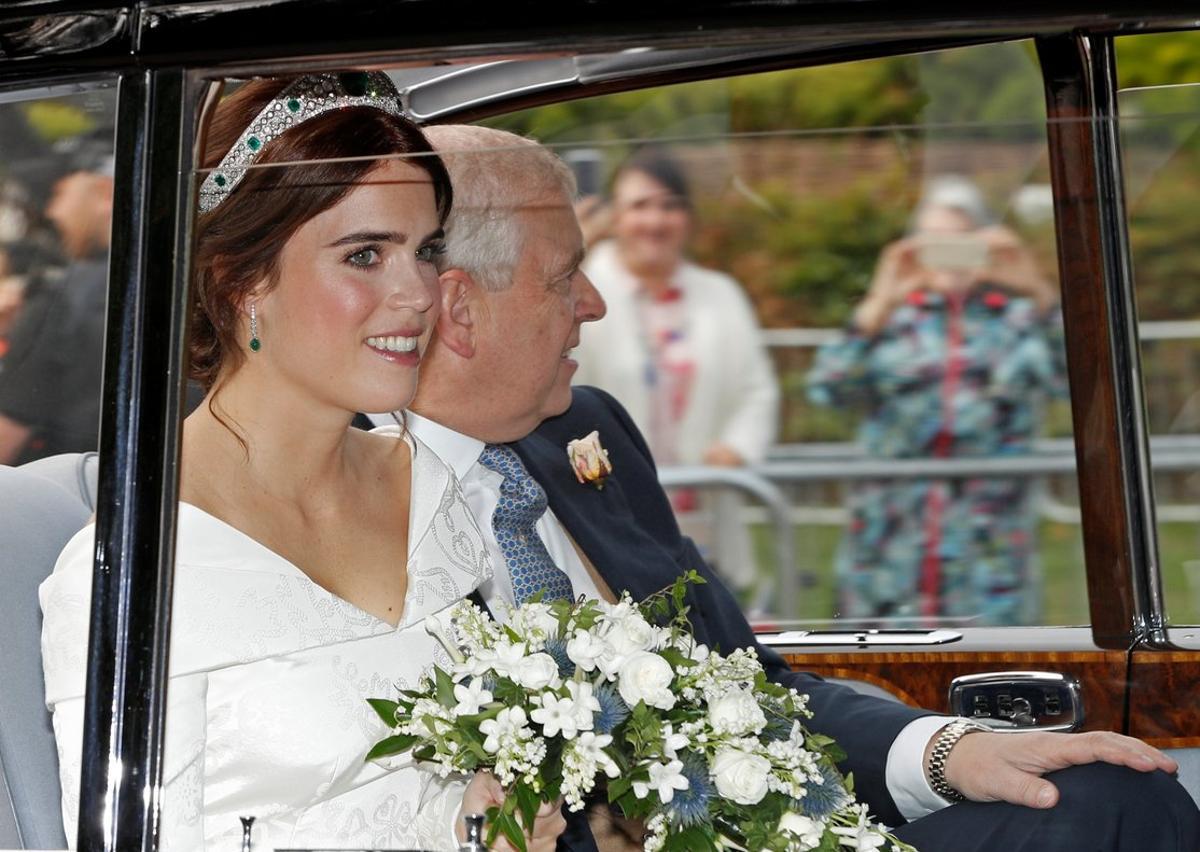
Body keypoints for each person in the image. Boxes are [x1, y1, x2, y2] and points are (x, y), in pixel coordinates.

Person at [399, 124, 1197, 852]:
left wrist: (953, 751)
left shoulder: (585, 434)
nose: (594, 302)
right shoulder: (338, 498)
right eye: (566, 274)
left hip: (765, 830)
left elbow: (749, 684)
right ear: (461, 307)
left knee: (1123, 799)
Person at [39, 74, 565, 852]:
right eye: (364, 255)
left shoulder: (431, 486)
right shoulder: (132, 572)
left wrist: (485, 822)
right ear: (242, 280)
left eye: (424, 251)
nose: (419, 293)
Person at [807, 175, 1066, 626]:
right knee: (880, 678)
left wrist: (1039, 291)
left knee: (994, 678)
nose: (948, 252)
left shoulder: (1019, 321)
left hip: (988, 549)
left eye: (961, 239)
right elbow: (827, 388)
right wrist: (877, 301)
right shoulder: (893, 319)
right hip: (889, 544)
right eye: (933, 240)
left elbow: (1086, 384)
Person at [572, 148, 779, 591]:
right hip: (612, 510)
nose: (656, 220)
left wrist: (735, 449)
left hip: (703, 510)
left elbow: (756, 391)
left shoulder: (720, 293)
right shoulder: (583, 288)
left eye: (669, 205)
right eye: (639, 206)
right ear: (615, 216)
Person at [0, 160, 111, 464]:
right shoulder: (175, 280)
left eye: (60, 194)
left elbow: (6, 435)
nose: (52, 212)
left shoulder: (63, 296)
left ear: (105, 193)